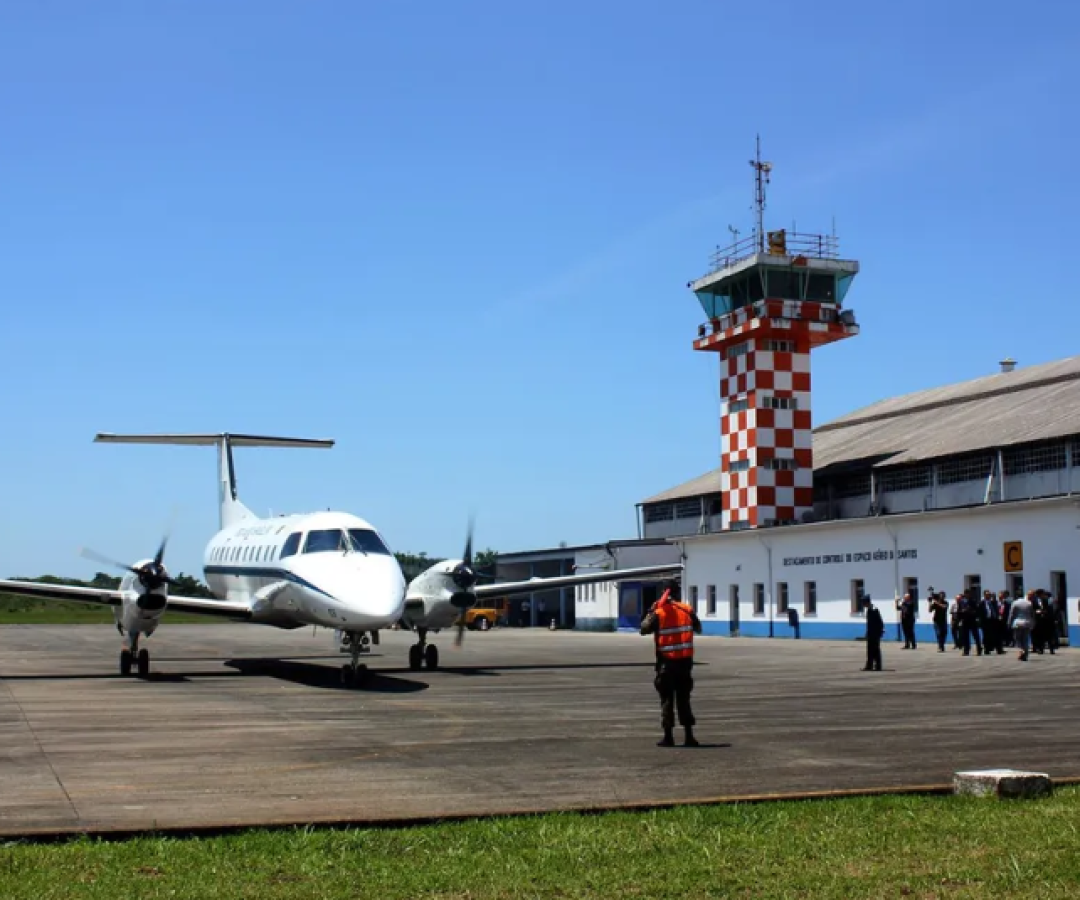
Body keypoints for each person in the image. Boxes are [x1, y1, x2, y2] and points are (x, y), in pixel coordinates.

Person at [640, 580, 702, 747]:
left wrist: (651, 611)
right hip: (685, 664)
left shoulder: (659, 612)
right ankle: (689, 736)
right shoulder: (687, 610)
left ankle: (668, 737)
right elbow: (698, 627)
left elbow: (643, 628)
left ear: (663, 593)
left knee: (667, 700)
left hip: (667, 664)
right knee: (684, 700)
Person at [1009, 591, 1035, 661]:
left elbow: (1011, 614)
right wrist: (1033, 623)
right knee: (1025, 639)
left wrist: (1009, 623)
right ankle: (1025, 655)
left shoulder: (1015, 603)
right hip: (1026, 623)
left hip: (1017, 623)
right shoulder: (1029, 603)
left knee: (1017, 638)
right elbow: (1032, 615)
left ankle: (1021, 649)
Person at [863, 594, 884, 671]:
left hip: (875, 633)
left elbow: (880, 621)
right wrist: (867, 632)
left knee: (875, 650)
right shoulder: (869, 610)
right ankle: (869, 665)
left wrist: (880, 631)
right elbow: (869, 623)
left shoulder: (874, 609)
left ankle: (878, 666)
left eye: (864, 602)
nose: (863, 604)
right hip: (870, 633)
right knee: (869, 650)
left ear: (867, 602)